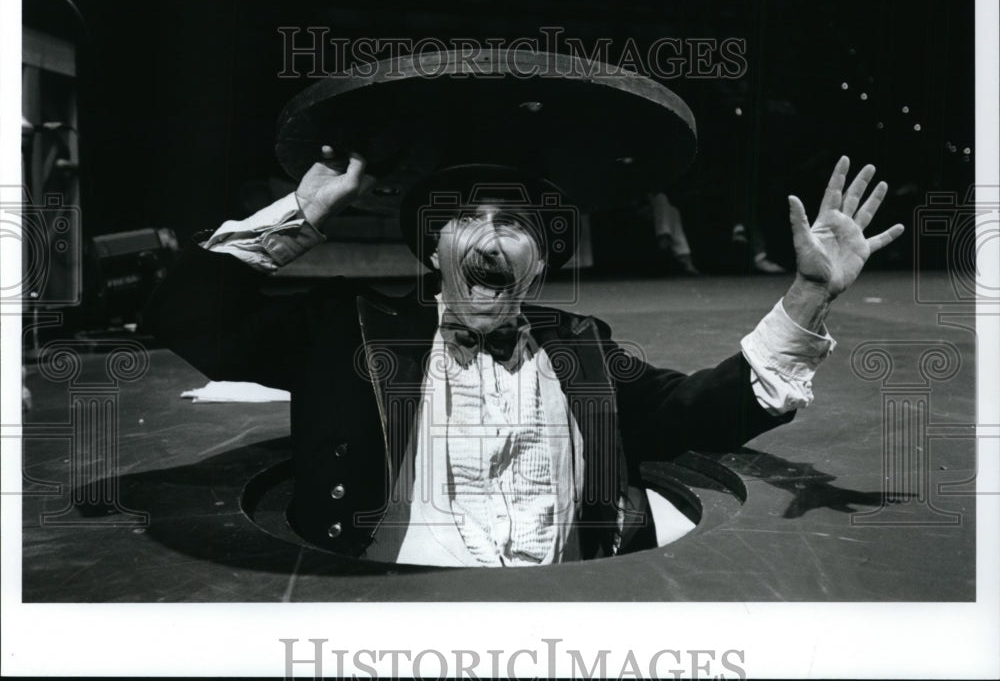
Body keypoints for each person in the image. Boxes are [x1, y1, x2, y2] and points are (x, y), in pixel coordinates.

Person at [143, 148, 903, 567]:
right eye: (464, 220)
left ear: (536, 259)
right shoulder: (347, 333)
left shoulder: (581, 344)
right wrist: (302, 214)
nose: (489, 237)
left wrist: (809, 294)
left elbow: (704, 409)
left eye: (513, 223)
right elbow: (187, 315)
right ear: (435, 250)